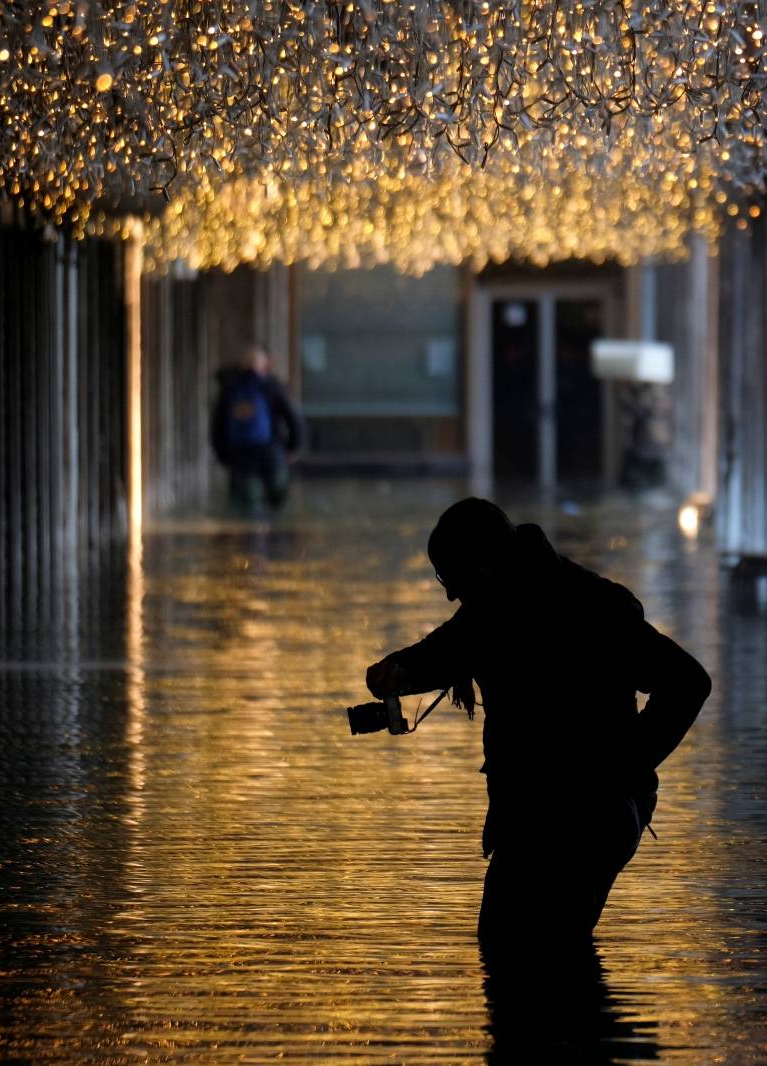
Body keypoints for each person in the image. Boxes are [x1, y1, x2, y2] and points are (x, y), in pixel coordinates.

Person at [363, 498, 711, 959]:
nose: (450, 596)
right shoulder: (506, 607)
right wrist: (397, 671)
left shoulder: (579, 608)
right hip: (560, 817)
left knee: (521, 959)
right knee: (540, 960)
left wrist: (618, 771)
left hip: (579, 821)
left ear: (483, 566)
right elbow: (442, 653)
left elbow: (688, 682)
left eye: (450, 580)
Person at [210, 345, 301, 512]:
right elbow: (293, 419)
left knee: (247, 508)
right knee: (277, 506)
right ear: (265, 363)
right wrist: (292, 447)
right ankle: (275, 536)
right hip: (272, 454)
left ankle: (252, 535)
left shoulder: (230, 388)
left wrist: (222, 455)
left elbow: (217, 425)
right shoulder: (272, 386)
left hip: (241, 457)